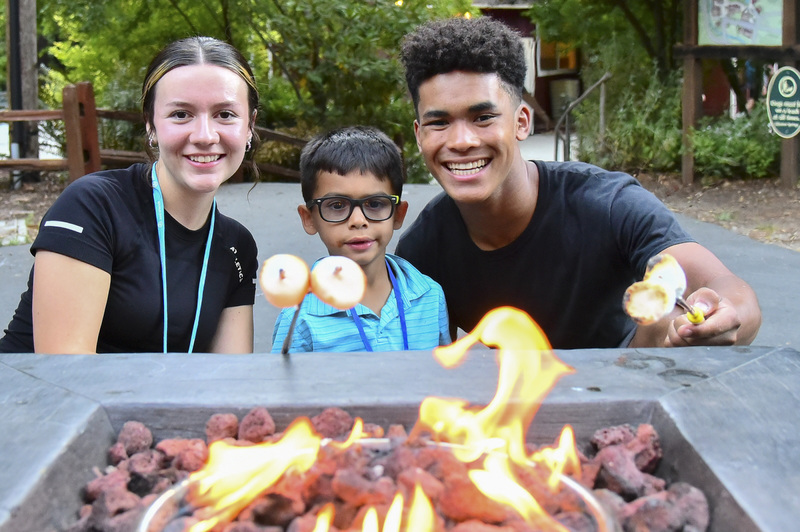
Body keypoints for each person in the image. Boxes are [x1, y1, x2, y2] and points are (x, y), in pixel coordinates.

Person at [395, 16, 762, 349]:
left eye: (483, 117)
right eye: (439, 123)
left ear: (522, 122)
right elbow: (431, 373)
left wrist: (725, 315)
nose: (461, 141)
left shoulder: (608, 204)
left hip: (629, 392)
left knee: (665, 317)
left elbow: (727, 288)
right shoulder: (423, 251)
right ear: (418, 135)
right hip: (512, 410)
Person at [0, 36, 259, 354]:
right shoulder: (94, 207)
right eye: (181, 114)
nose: (204, 135)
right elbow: (64, 374)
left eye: (225, 114)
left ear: (250, 126)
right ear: (151, 124)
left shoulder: (236, 246)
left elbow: (228, 381)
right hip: (33, 400)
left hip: (146, 403)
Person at [271, 126, 450, 353]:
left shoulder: (430, 297)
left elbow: (443, 378)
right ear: (309, 219)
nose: (358, 220)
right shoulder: (298, 318)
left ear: (398, 214)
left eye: (375, 204)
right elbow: (283, 388)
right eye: (337, 205)